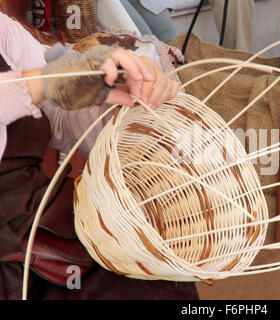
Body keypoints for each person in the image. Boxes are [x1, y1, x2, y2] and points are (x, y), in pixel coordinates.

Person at [0, 11, 198, 300]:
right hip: (10, 248)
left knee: (161, 275)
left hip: (43, 215)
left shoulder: (4, 31)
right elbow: (48, 81)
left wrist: (126, 93)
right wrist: (47, 82)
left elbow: (64, 107)